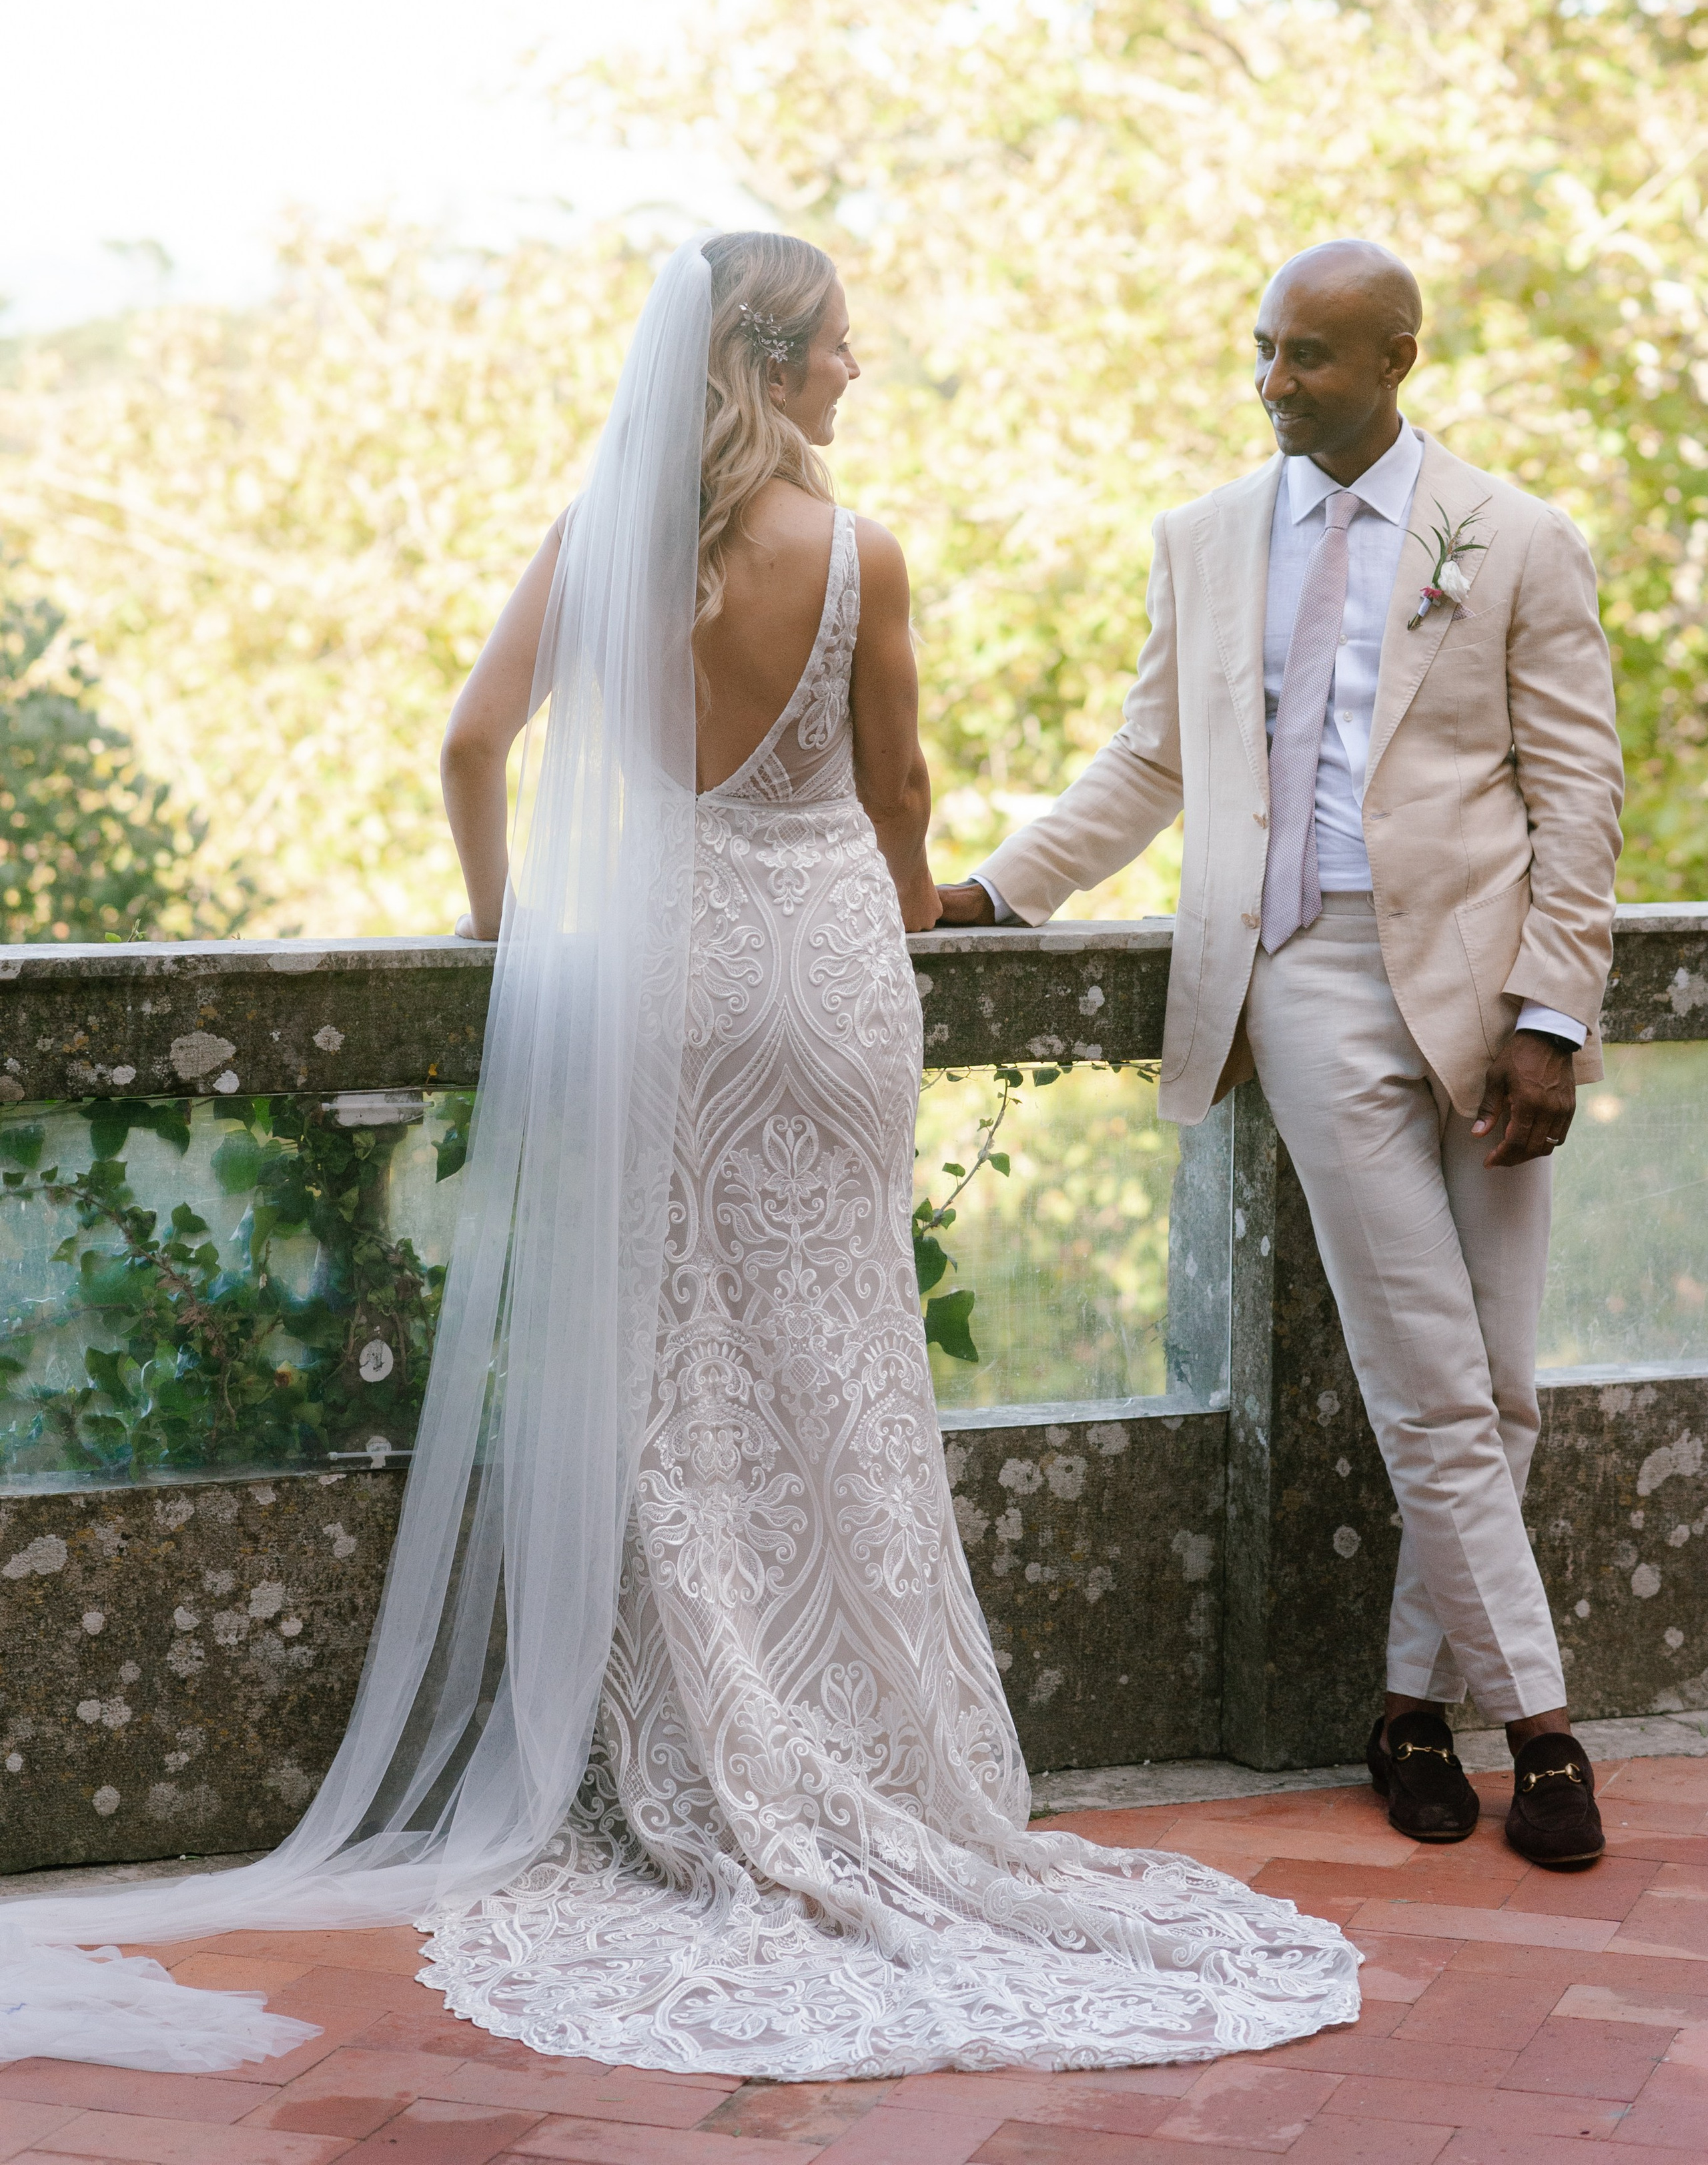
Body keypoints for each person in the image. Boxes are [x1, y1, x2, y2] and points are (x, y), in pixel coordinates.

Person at [0, 233, 1356, 2076]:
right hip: (823, 979)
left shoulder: (601, 543)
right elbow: (899, 799)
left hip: (650, 986)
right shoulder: (856, 554)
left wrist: (504, 932)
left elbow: (474, 744)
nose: (857, 377)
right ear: (779, 363)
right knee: (843, 1354)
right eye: (843, 352)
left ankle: (701, 1755)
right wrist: (893, 905)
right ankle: (879, 1755)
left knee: (672, 1367)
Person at [939, 241, 1623, 1868]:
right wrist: (987, 890)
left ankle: (1402, 1708)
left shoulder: (1512, 538)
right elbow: (1145, 759)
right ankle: (1539, 1726)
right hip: (1303, 979)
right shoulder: (1200, 542)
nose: (1269, 384)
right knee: (1427, 1383)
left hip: (1479, 993)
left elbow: (1577, 795)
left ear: (1394, 357)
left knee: (1500, 1391)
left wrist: (1549, 1015)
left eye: (1306, 358)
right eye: (1259, 350)